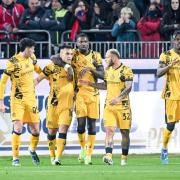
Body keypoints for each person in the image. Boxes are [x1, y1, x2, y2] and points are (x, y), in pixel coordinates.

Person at [80, 48, 133, 166]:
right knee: (109, 131)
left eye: (107, 57)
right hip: (109, 106)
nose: (105, 60)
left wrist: (118, 98)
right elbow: (105, 85)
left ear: (114, 57)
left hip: (123, 107)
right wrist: (90, 84)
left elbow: (128, 87)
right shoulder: (108, 70)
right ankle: (108, 156)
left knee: (125, 132)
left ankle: (124, 158)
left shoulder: (126, 70)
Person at [0, 38, 42, 166]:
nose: (34, 50)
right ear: (27, 48)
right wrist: (1, 101)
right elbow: (3, 82)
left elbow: (38, 69)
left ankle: (32, 149)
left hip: (31, 98)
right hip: (17, 99)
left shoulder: (32, 57)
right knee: (18, 127)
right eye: (32, 48)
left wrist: (46, 77)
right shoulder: (12, 62)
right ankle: (15, 158)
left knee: (35, 130)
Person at [34, 45, 74, 165]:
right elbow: (38, 79)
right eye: (67, 54)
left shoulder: (73, 67)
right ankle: (52, 156)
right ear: (60, 55)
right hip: (53, 104)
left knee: (63, 129)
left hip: (67, 104)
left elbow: (73, 79)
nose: (70, 56)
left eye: (71, 54)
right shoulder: (51, 66)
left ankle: (58, 158)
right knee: (51, 131)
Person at [72, 33, 104, 165]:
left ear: (88, 43)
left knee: (91, 126)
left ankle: (89, 155)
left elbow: (103, 74)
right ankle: (83, 148)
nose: (83, 44)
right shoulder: (73, 55)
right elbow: (57, 58)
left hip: (93, 94)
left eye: (85, 41)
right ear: (77, 43)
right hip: (79, 94)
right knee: (80, 126)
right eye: (81, 42)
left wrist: (91, 68)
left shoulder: (95, 56)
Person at [157, 30, 180, 165]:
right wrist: (169, 66)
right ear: (172, 40)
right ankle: (164, 148)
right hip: (172, 95)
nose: (178, 42)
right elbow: (158, 72)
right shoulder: (166, 55)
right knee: (170, 125)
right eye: (176, 39)